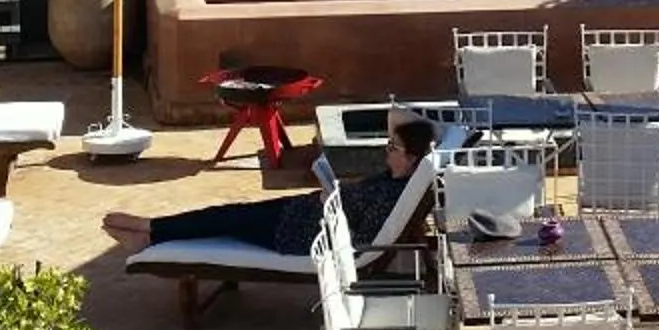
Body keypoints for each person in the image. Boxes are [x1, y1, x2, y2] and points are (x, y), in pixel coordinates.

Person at [103, 113, 438, 258]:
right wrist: (331, 195)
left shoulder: (394, 196)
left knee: (226, 222)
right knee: (228, 214)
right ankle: (151, 230)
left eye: (393, 147)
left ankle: (148, 232)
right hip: (302, 212)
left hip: (300, 233)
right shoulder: (392, 179)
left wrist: (332, 206)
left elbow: (363, 240)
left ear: (411, 159)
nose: (386, 150)